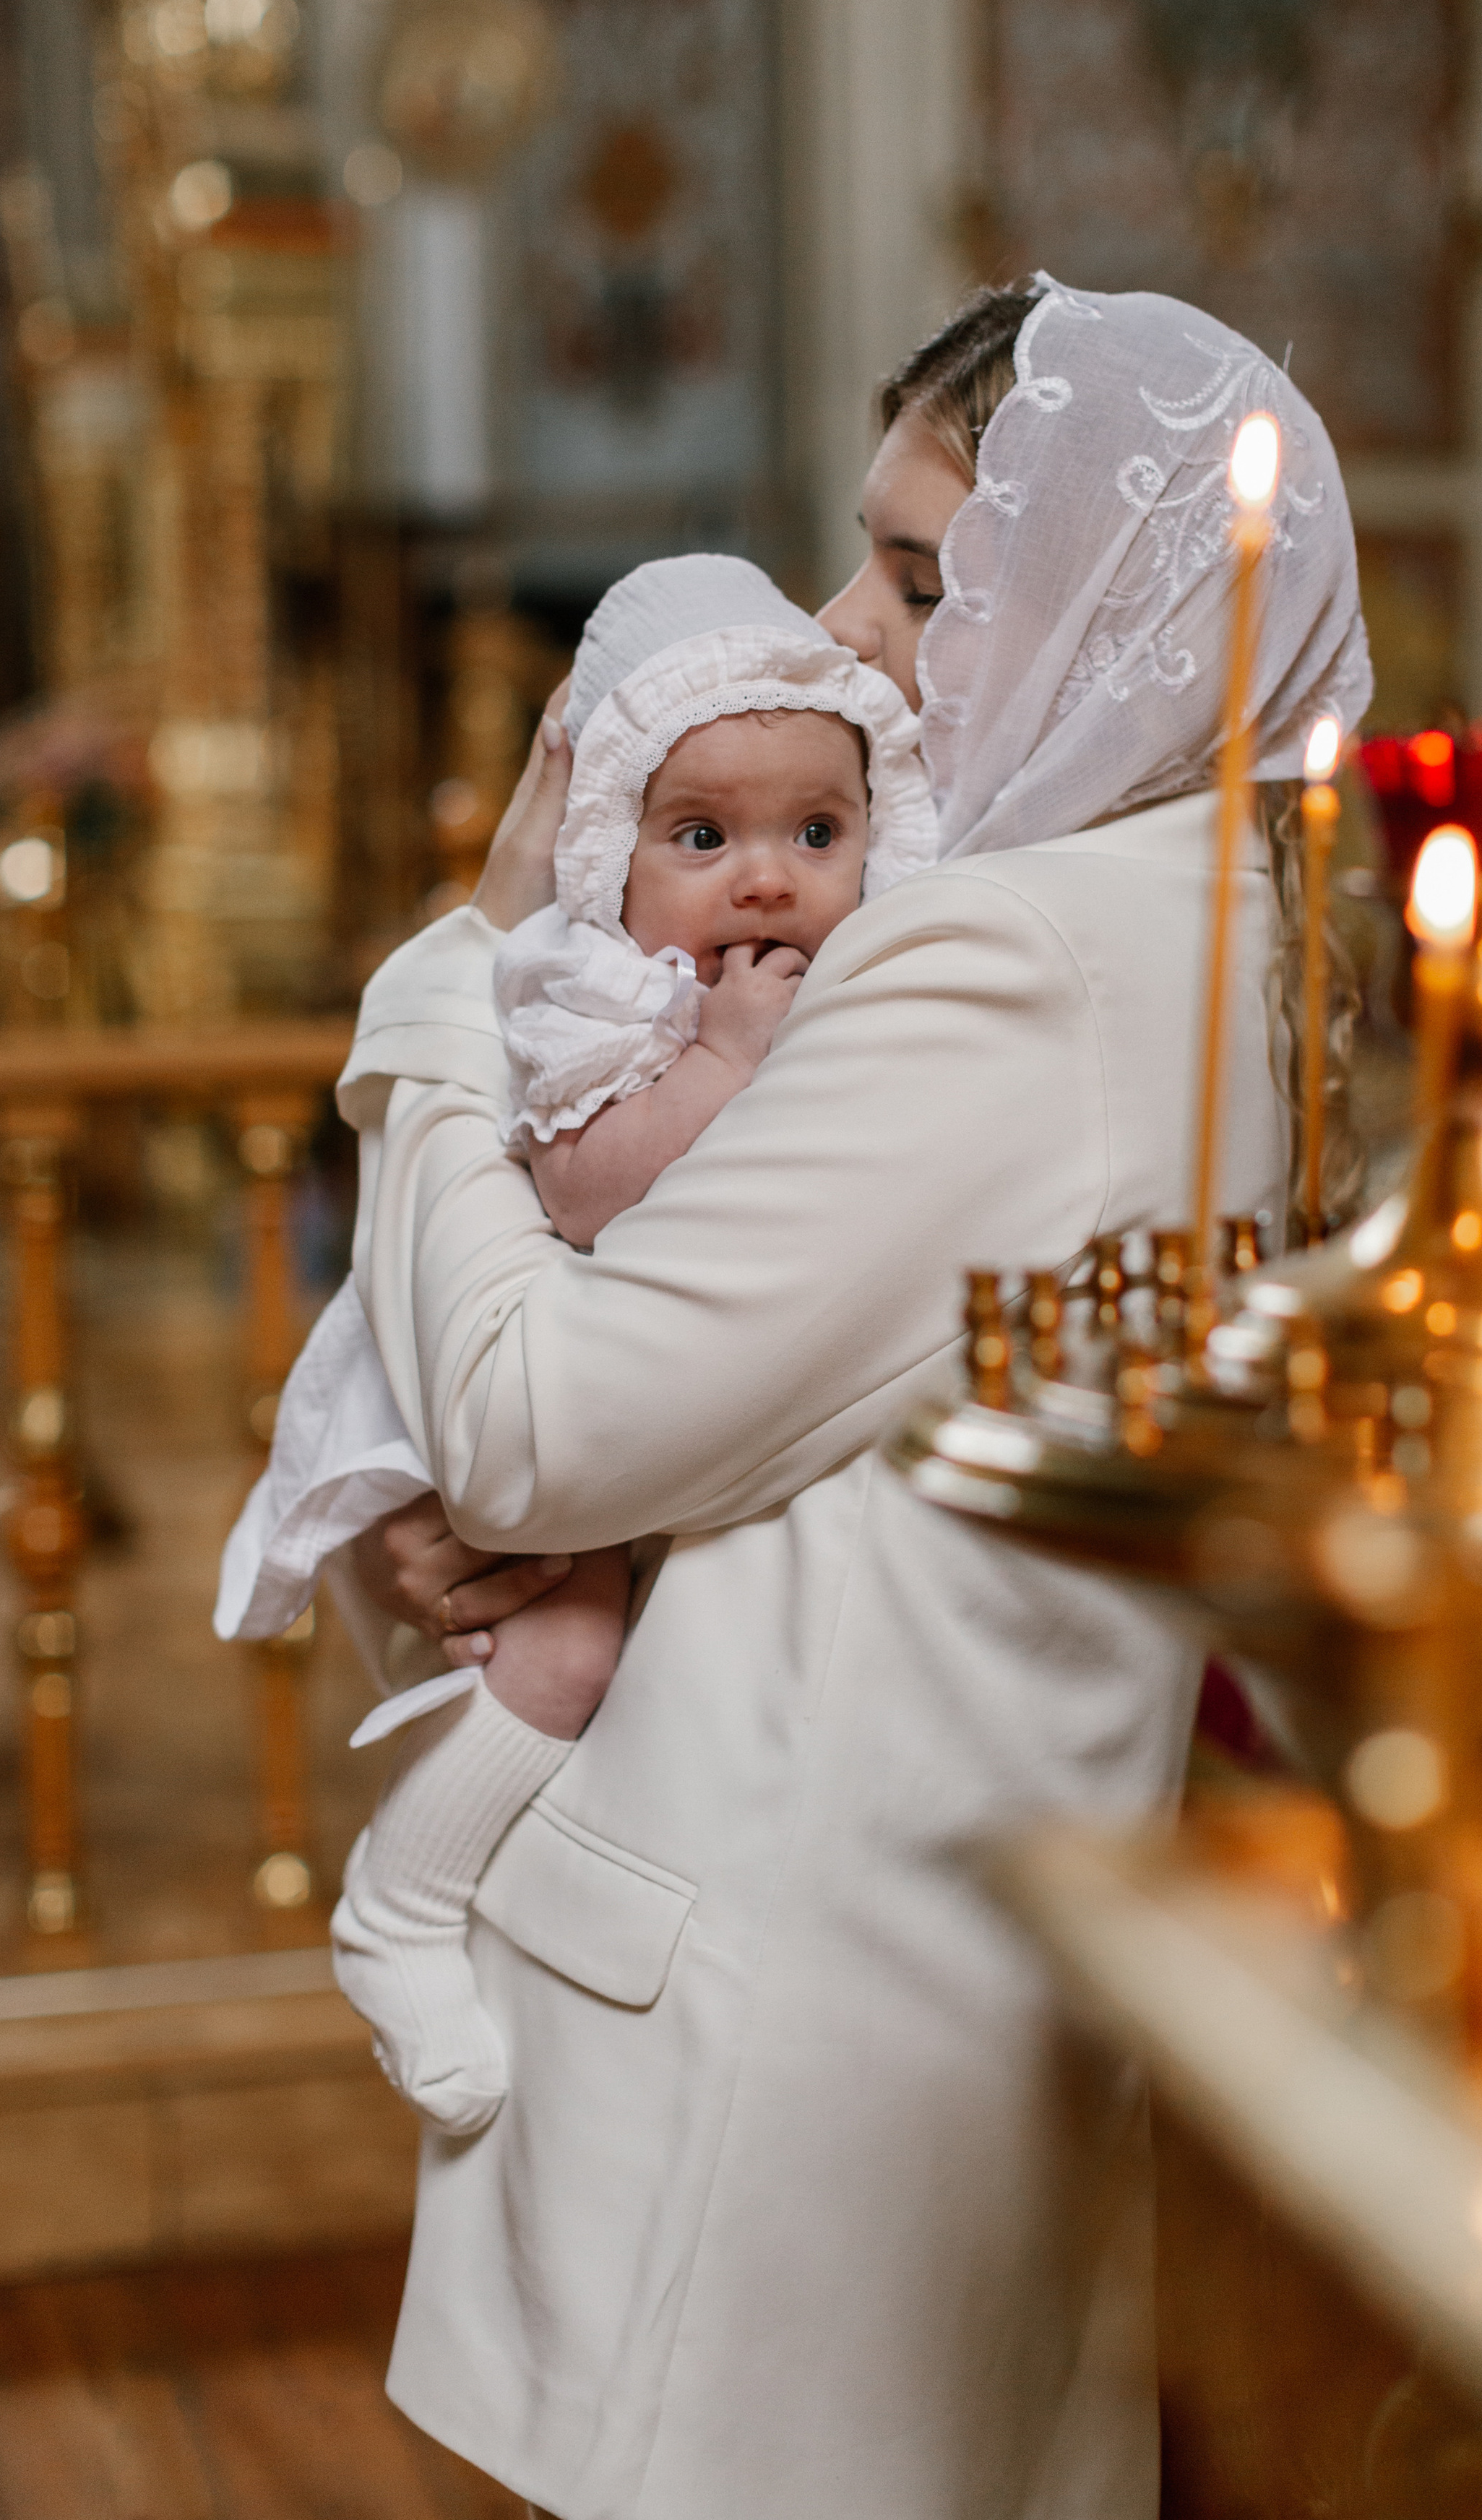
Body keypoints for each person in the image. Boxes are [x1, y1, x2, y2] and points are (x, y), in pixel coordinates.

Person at [224, 275, 1370, 2520]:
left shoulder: (1004, 957)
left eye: (928, 579)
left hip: (785, 2036)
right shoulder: (1244, 921)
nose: (848, 632)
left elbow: (545, 1427)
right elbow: (859, 1407)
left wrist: (441, 992)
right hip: (978, 1981)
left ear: (1115, 616)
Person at [327, 557, 936, 2131]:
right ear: (611, 850)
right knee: (569, 1643)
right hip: (509, 1351)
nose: (764, 880)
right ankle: (401, 1899)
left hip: (679, 1409)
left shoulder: (868, 973)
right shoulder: (599, 988)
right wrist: (724, 1064)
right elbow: (581, 1185)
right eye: (702, 839)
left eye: (818, 834)